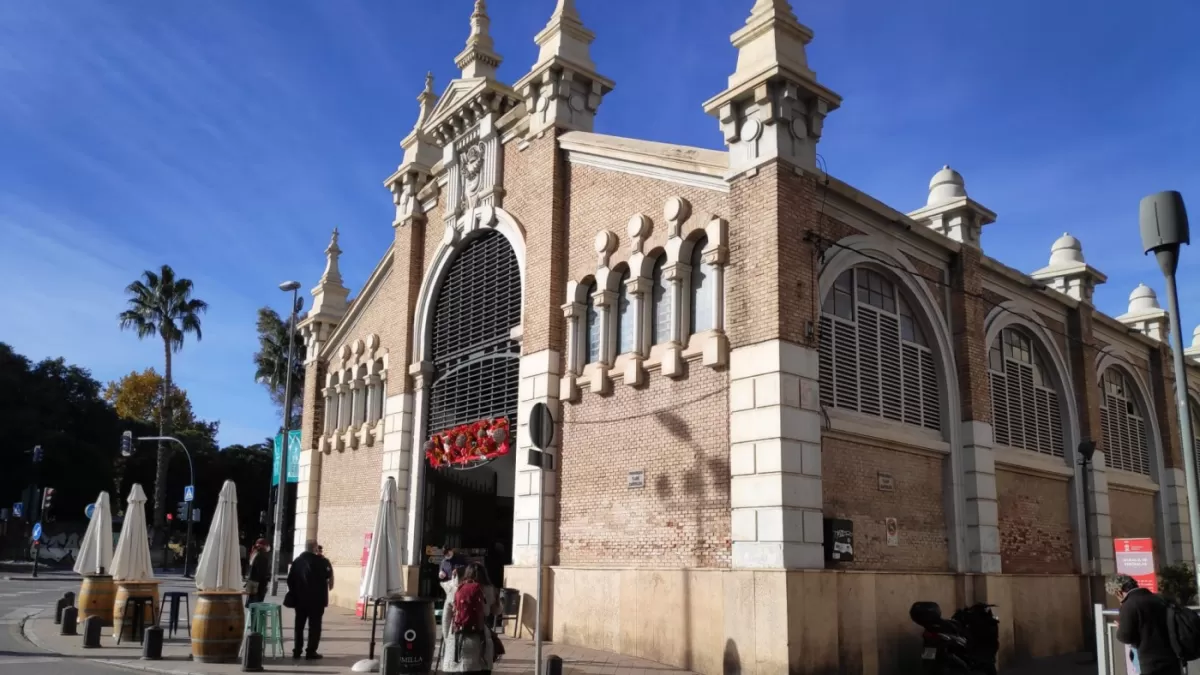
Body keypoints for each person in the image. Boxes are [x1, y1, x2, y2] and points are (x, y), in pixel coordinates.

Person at [1109, 574, 1180, 675]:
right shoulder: (1161, 599)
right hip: (1173, 657)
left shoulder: (1129, 605)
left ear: (1118, 592)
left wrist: (1120, 628)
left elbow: (1125, 637)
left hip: (1149, 661)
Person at [441, 561, 502, 674]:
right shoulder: (489, 589)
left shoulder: (456, 589)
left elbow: (446, 618)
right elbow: (497, 611)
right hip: (480, 640)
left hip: (457, 641)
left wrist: (447, 638)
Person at [286, 540, 330, 660]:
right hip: (316, 601)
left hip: (300, 600)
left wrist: (295, 591)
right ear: (315, 548)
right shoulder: (321, 562)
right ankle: (311, 651)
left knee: (299, 626)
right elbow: (328, 575)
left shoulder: (297, 561)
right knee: (314, 627)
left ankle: (297, 650)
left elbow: (290, 580)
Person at [244, 538, 271, 607]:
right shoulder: (262, 555)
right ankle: (254, 617)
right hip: (258, 584)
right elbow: (262, 572)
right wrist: (267, 579)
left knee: (252, 603)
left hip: (252, 582)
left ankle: (251, 617)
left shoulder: (254, 553)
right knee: (257, 605)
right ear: (264, 546)